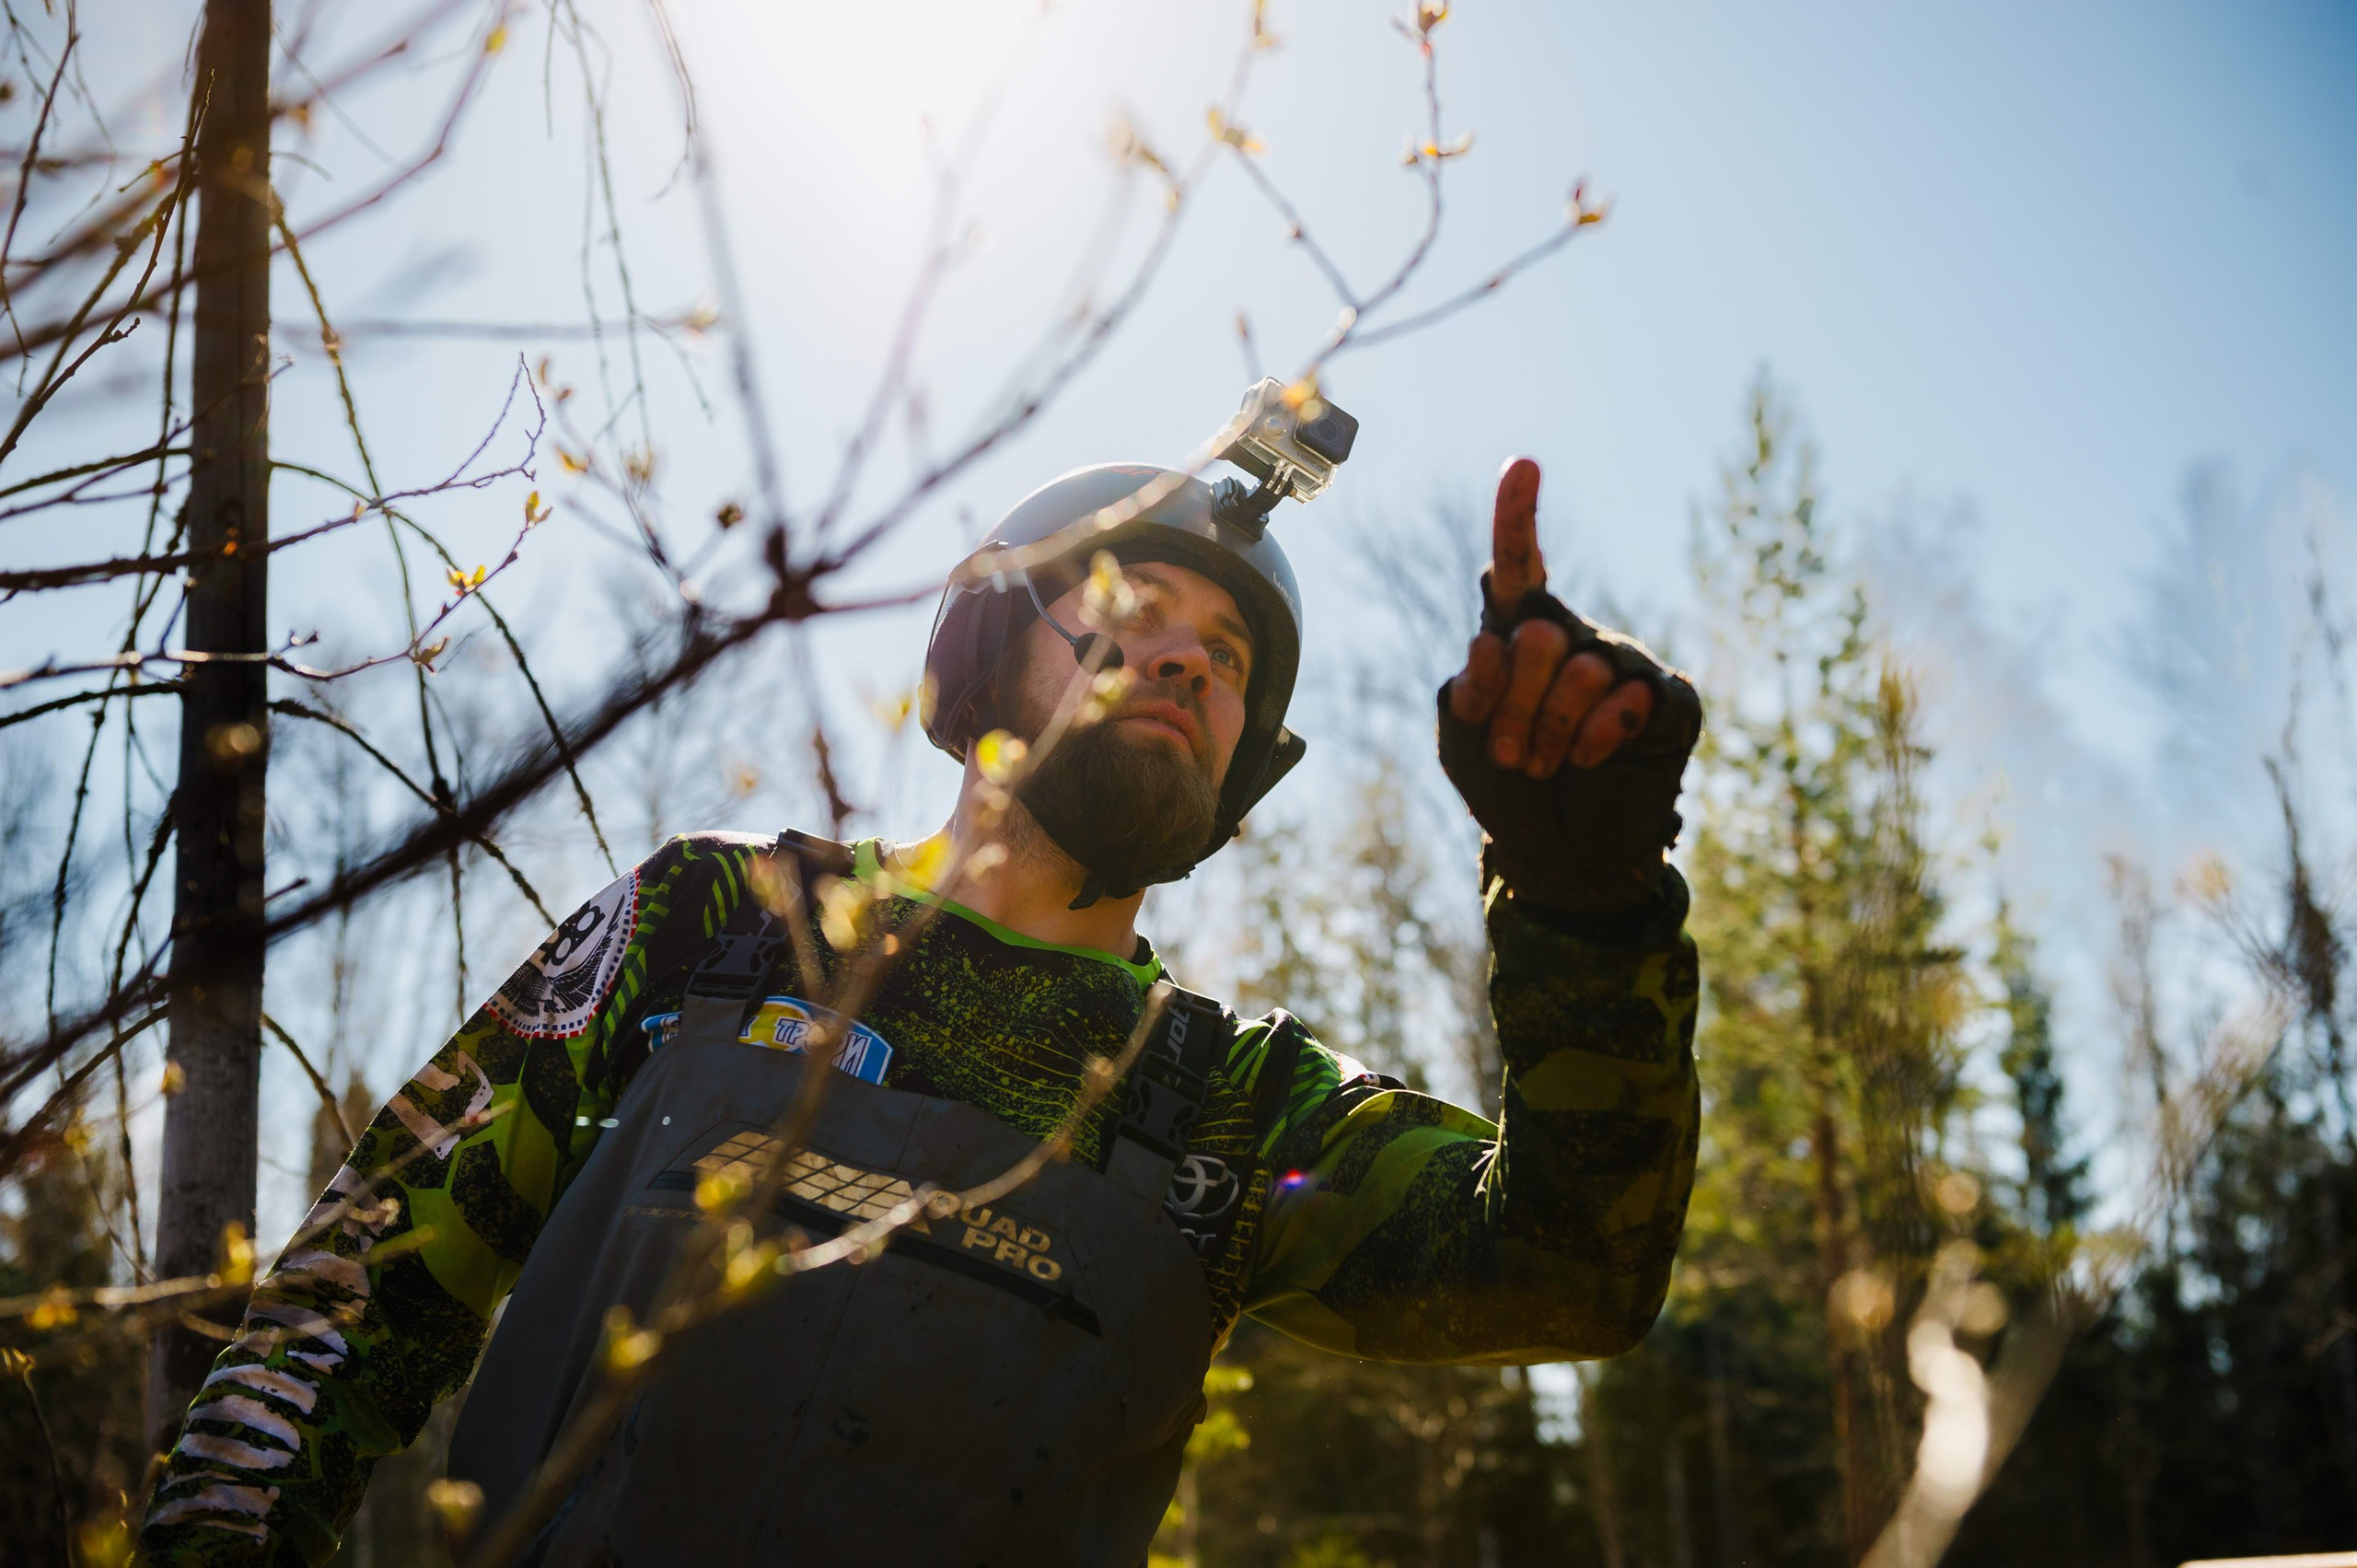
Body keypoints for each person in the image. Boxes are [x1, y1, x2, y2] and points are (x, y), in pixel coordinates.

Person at [140, 453, 1703, 1566]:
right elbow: (343, 1313)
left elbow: (1566, 1276)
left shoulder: (1237, 1108)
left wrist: (1584, 905)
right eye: (1129, 601)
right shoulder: (707, 929)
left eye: (1227, 655)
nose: (1182, 652)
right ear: (978, 650)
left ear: (1242, 767)